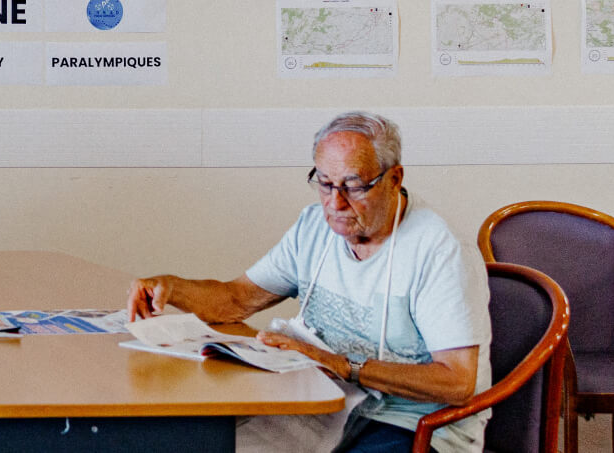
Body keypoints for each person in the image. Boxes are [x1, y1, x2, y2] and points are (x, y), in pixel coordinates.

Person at [127, 112, 491, 453]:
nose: (336, 203)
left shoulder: (439, 250)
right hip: (323, 398)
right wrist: (172, 288)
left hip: (411, 419)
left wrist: (340, 365)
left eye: (354, 186)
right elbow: (236, 300)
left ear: (394, 178)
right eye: (325, 183)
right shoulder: (314, 227)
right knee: (200, 440)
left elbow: (457, 382)